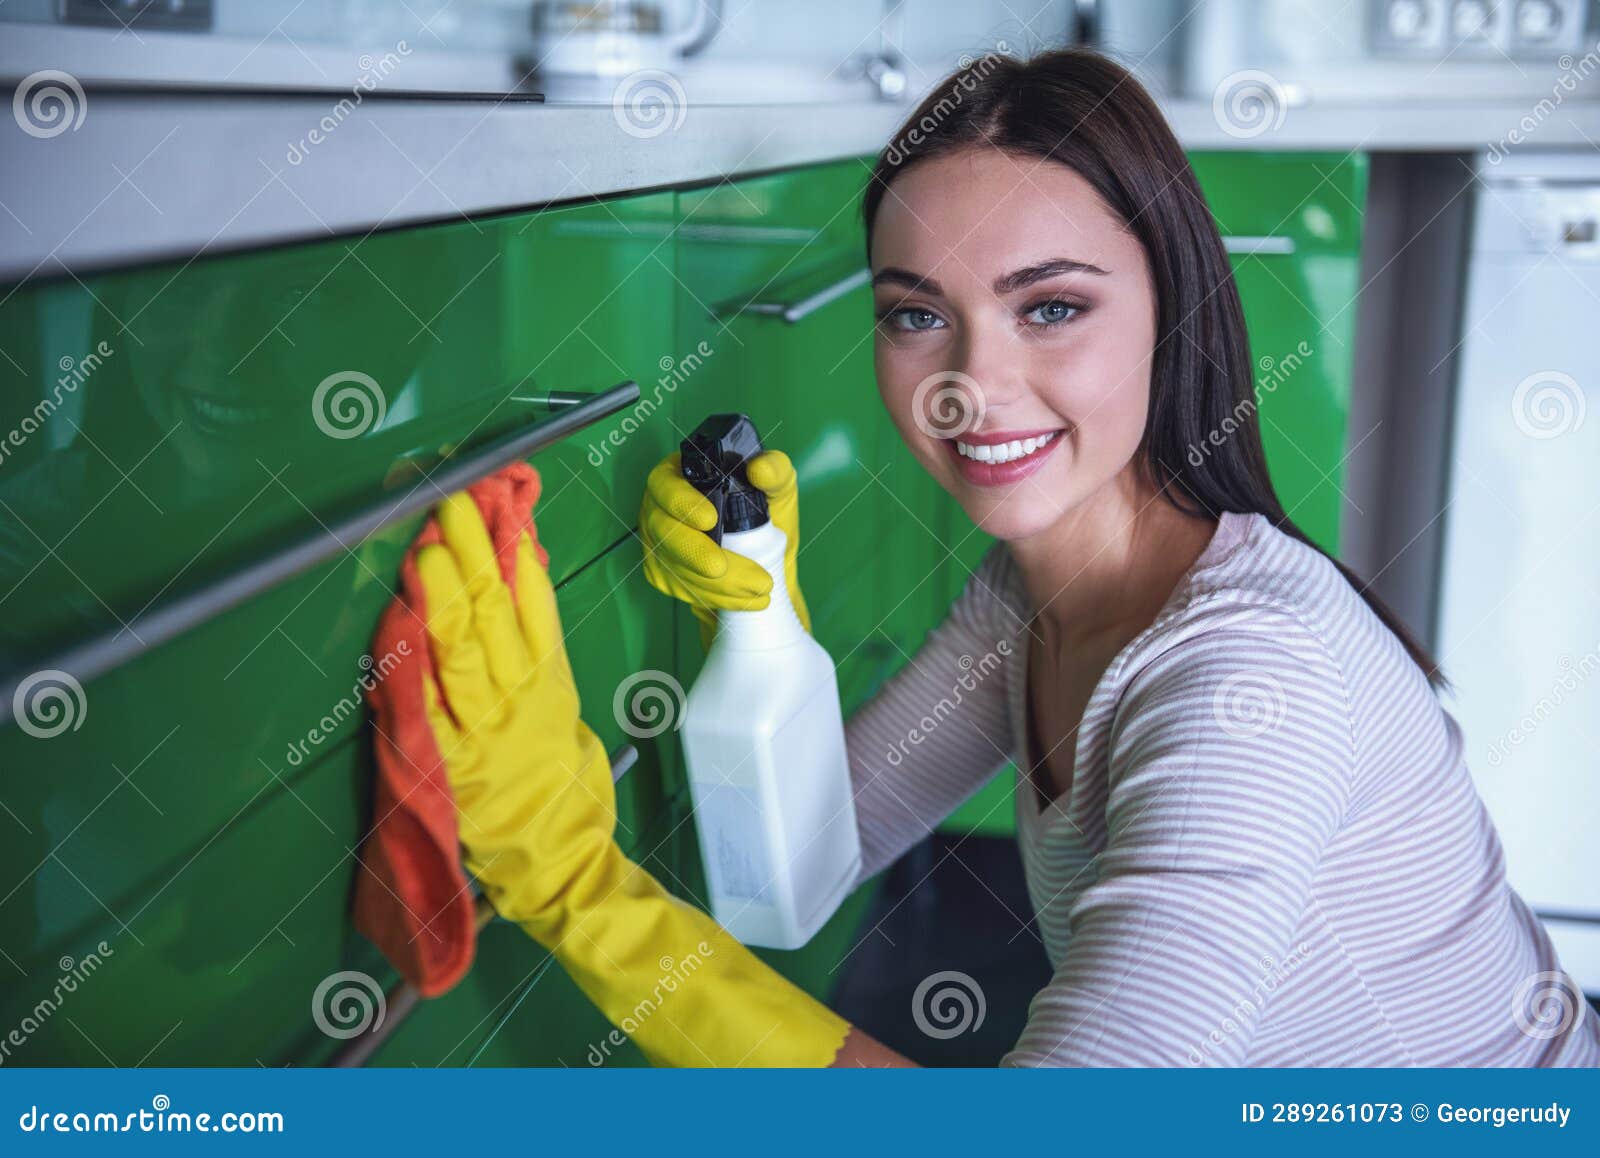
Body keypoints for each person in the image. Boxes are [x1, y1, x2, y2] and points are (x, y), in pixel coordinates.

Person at [407, 46, 1600, 1066]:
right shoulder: (1026, 595)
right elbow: (800, 875)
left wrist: (575, 888)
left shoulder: (1248, 686)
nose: (970, 389)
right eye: (917, 314)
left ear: (1171, 305)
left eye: (1050, 307)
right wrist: (756, 613)